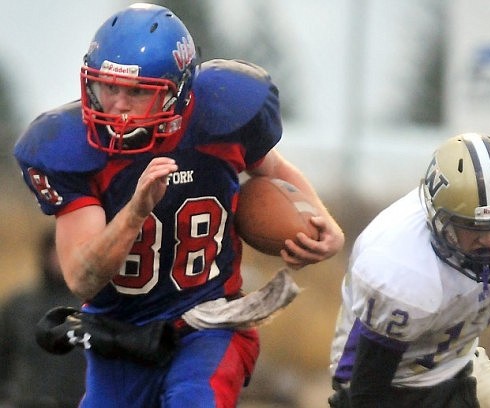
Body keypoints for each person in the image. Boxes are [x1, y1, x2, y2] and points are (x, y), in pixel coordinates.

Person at [13, 3, 344, 407]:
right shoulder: (68, 150)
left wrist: (322, 221)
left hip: (209, 320)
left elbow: (271, 168)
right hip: (121, 331)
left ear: (180, 91)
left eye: (136, 92)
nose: (117, 106)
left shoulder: (223, 114)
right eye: (108, 87)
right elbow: (82, 278)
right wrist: (133, 215)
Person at [328, 132, 490, 407]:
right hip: (394, 384)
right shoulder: (402, 269)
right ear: (437, 220)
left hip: (458, 363)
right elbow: (367, 390)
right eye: (475, 229)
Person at [0, 227, 86, 408]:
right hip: (27, 400)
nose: (58, 260)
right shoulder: (19, 305)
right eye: (54, 251)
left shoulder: (90, 307)